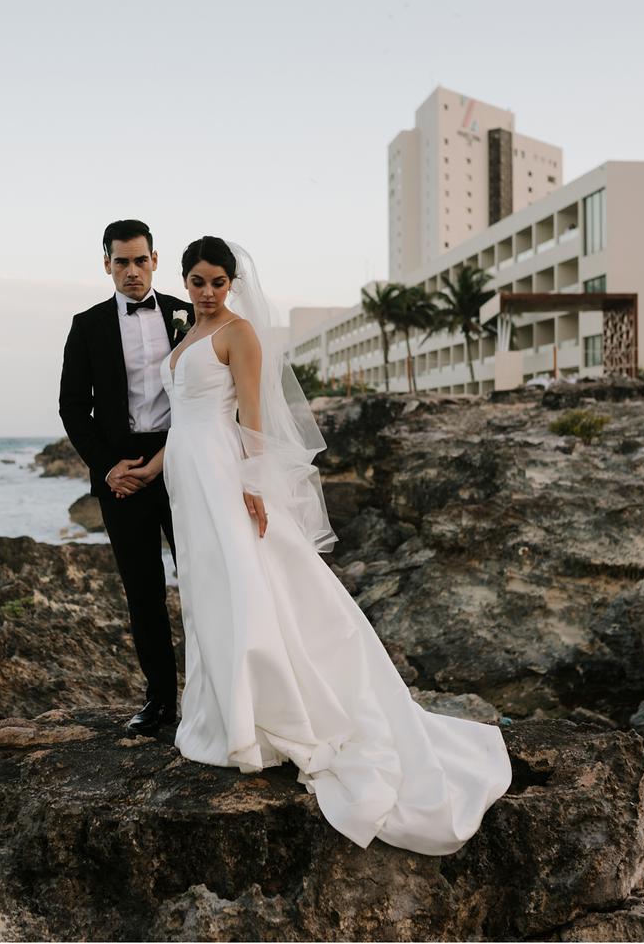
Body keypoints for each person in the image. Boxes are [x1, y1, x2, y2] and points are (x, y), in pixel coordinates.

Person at [142, 235, 514, 856]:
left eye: (217, 282)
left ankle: (260, 719)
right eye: (197, 281)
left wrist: (256, 484)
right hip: (186, 479)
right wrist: (149, 470)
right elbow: (183, 422)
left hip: (223, 477)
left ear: (231, 283)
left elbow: (253, 415)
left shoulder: (239, 334)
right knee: (206, 590)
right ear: (184, 281)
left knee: (245, 585)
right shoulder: (183, 338)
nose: (207, 292)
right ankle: (214, 716)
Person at [58, 220, 194, 735]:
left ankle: (213, 695)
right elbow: (73, 407)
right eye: (121, 262)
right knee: (143, 591)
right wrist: (108, 466)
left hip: (183, 461)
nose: (132, 272)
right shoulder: (87, 324)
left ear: (155, 260)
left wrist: (172, 454)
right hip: (121, 474)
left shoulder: (187, 314)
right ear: (106, 264)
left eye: (140, 261)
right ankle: (161, 702)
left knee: (202, 582)